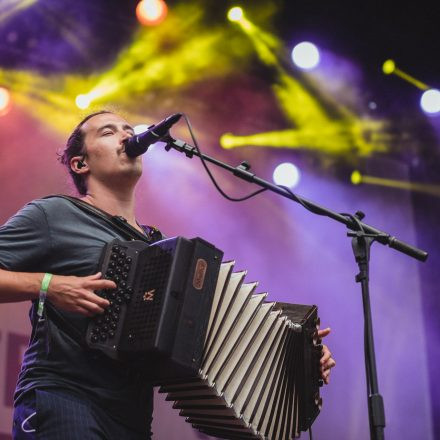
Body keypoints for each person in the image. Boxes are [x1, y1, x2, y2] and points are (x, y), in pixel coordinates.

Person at [0, 111, 336, 439]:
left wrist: (298, 355)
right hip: (62, 397)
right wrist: (48, 285)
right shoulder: (54, 214)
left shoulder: (158, 248)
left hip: (131, 417)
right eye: (108, 131)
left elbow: (217, 333)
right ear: (80, 163)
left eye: (127, 128)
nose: (126, 136)